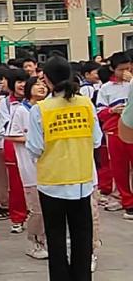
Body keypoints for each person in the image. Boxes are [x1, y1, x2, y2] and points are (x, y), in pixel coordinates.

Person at [26, 56, 102, 281]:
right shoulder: (86, 104)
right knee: (82, 236)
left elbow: (35, 148)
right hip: (82, 180)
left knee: (56, 239)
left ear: (46, 79)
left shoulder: (41, 109)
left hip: (52, 183)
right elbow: (97, 140)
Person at [5, 76, 48, 259]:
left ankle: (47, 241)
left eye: (44, 84)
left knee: (49, 208)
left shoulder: (48, 108)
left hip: (49, 166)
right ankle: (35, 242)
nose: (42, 88)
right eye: (37, 85)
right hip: (30, 166)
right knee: (36, 208)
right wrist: (35, 140)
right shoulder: (21, 110)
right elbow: (11, 135)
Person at [96, 52, 133, 217]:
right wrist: (112, 110)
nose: (125, 71)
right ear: (112, 69)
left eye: (128, 67)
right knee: (120, 168)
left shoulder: (132, 83)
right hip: (114, 131)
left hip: (130, 129)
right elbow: (99, 112)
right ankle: (127, 202)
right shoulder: (106, 88)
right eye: (121, 69)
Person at [2, 69, 29, 233]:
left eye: (25, 81)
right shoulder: (5, 103)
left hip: (34, 147)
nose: (22, 85)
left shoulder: (36, 101)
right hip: (13, 146)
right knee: (16, 184)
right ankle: (18, 218)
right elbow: (7, 127)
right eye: (19, 82)